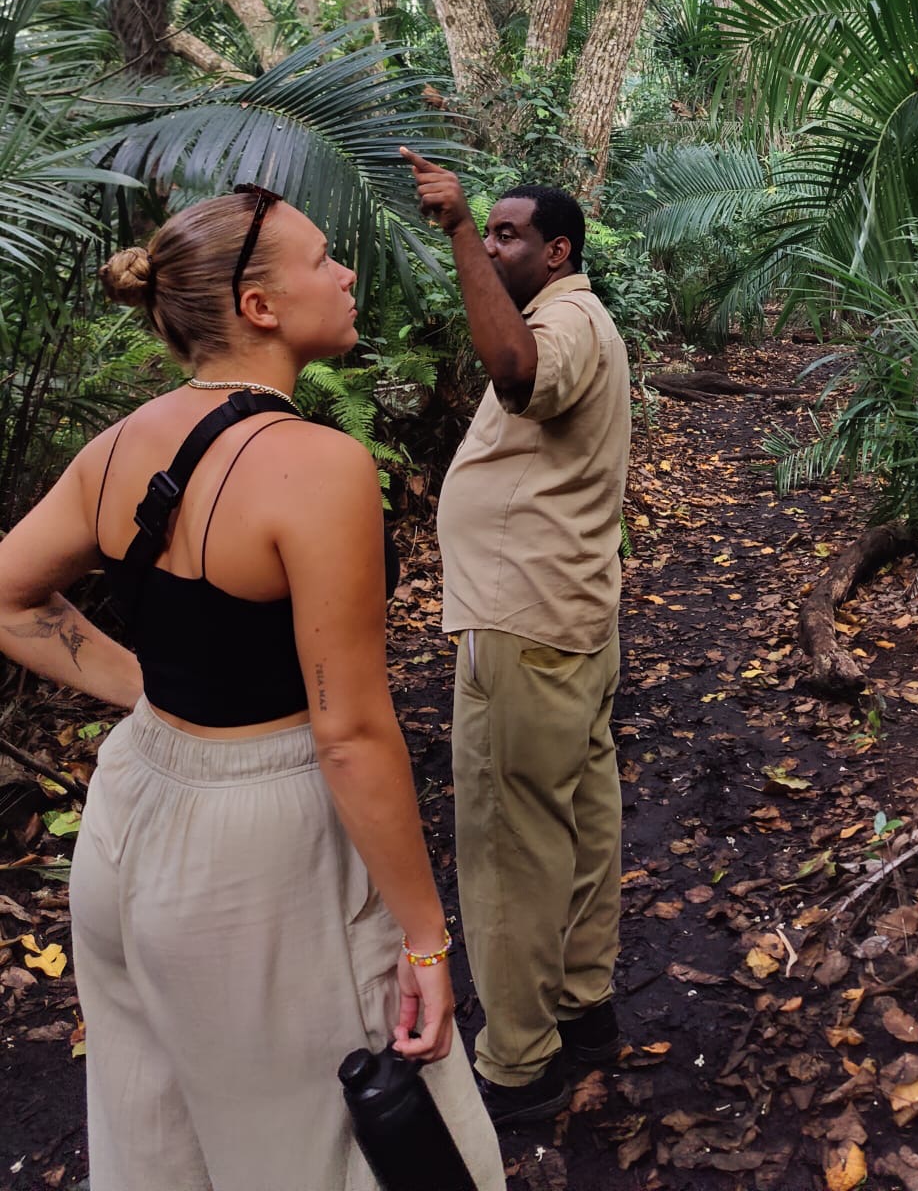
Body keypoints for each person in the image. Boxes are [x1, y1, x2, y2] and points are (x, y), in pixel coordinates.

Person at [0, 188, 504, 1191]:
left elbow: (9, 595)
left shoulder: (120, 444)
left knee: (159, 1136)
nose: (346, 274)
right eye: (323, 259)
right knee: (326, 1148)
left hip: (129, 816)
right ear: (259, 306)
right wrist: (425, 937)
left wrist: (159, 693)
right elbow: (349, 732)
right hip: (258, 854)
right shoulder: (317, 465)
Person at [401, 151, 631, 1129]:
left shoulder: (564, 322)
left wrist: (457, 226)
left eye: (508, 234)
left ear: (558, 250)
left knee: (508, 839)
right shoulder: (573, 315)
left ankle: (519, 1062)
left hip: (525, 623)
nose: (494, 246)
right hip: (563, 618)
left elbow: (517, 376)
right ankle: (582, 1005)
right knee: (577, 819)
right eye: (487, 231)